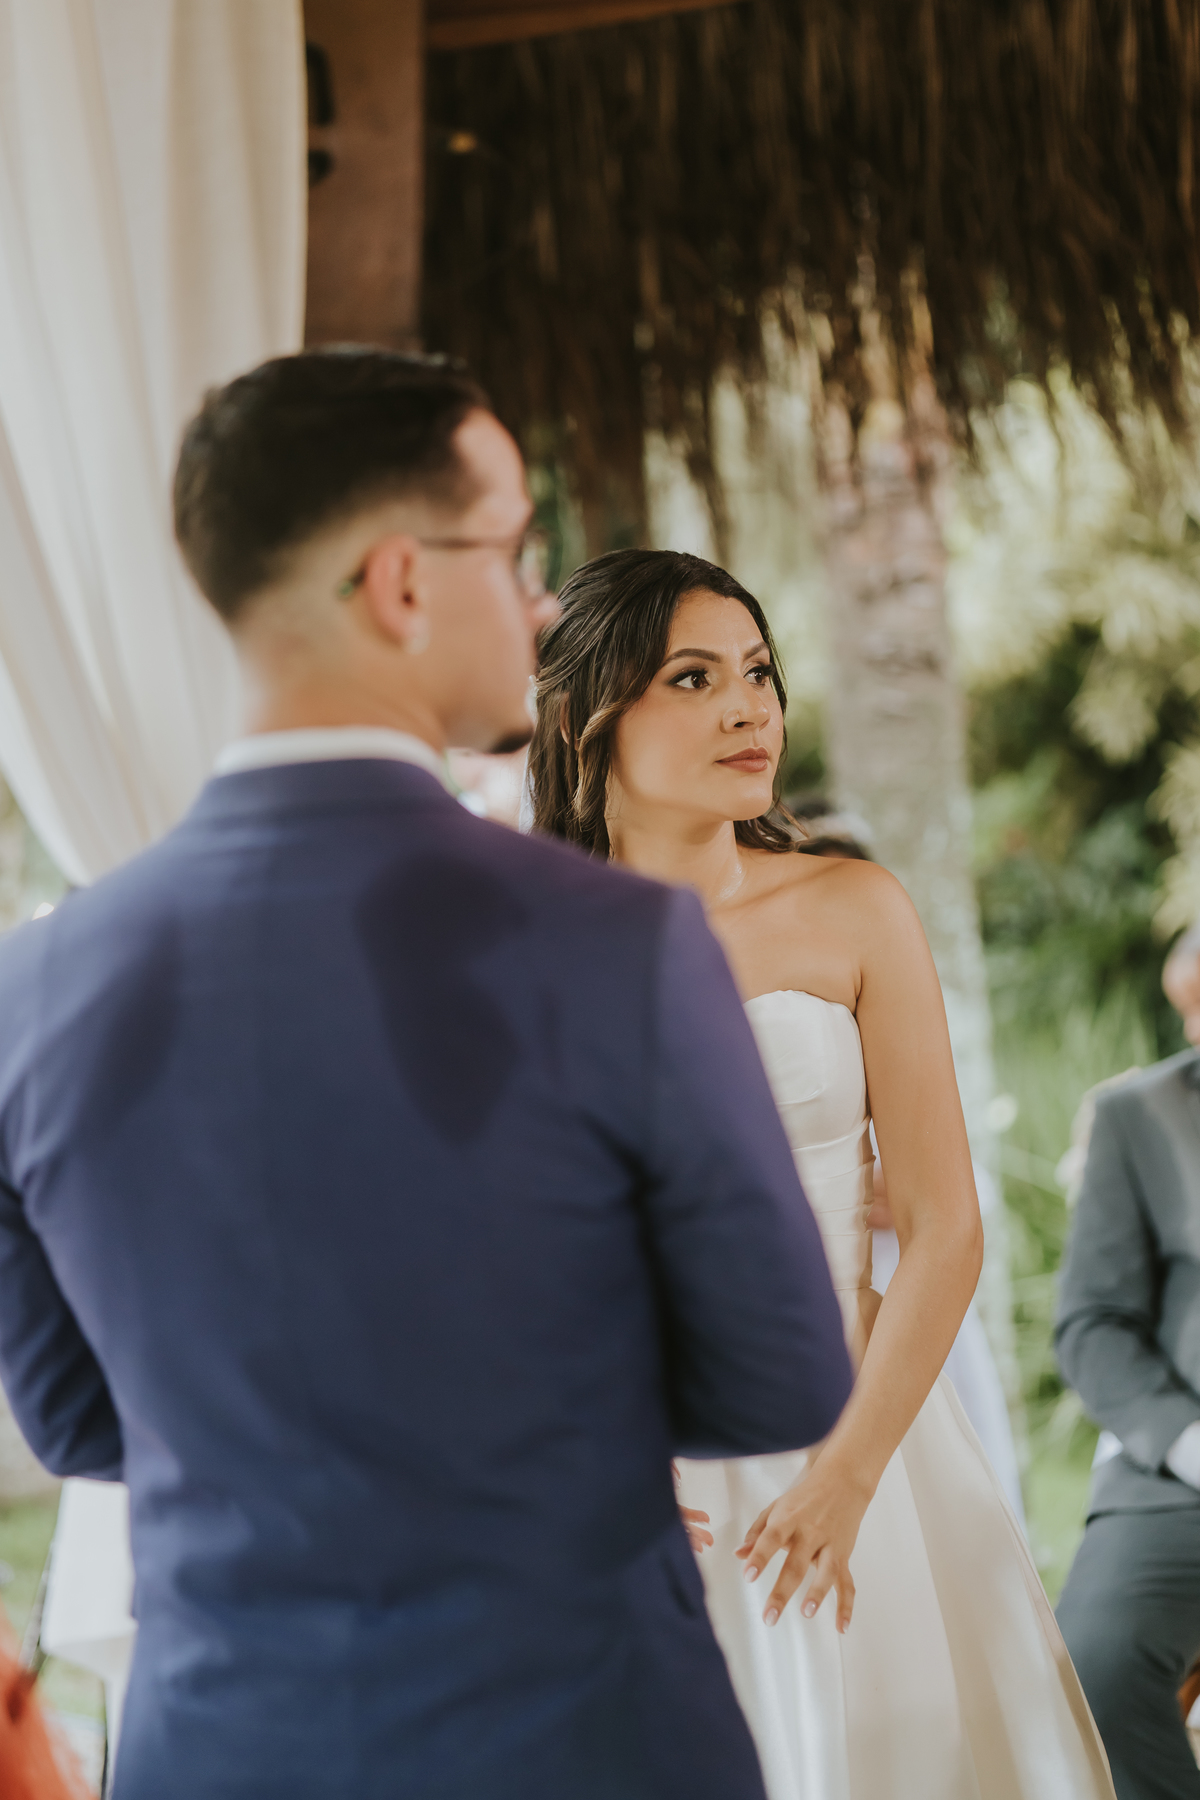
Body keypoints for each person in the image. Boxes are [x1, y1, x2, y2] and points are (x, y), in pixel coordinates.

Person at [0, 352, 854, 1800]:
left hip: (224, 1749)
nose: (537, 603)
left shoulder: (29, 992)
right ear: (401, 582)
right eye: (513, 550)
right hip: (577, 1739)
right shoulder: (617, 945)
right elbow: (778, 1374)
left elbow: (79, 1419)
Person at [529, 546, 1116, 1800]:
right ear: (586, 716)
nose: (749, 709)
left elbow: (947, 1227)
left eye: (759, 673)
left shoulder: (856, 910)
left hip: (858, 1435)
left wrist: (849, 1476)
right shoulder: (520, 949)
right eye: (695, 678)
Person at [1056, 922, 1200, 1799]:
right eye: (1188, 1010)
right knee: (1094, 1665)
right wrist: (1188, 1442)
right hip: (1180, 1477)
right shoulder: (1138, 1116)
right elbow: (1092, 1325)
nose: (1192, 1033)